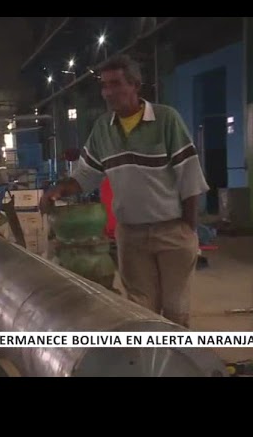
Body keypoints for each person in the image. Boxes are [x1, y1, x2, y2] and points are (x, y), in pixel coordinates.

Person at [40, 54, 209, 328]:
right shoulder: (102, 130)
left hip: (172, 231)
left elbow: (189, 175)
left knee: (176, 311)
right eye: (105, 86)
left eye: (116, 84)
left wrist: (188, 229)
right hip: (130, 235)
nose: (109, 92)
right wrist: (57, 191)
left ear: (135, 85)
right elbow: (85, 175)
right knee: (140, 310)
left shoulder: (166, 120)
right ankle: (148, 366)